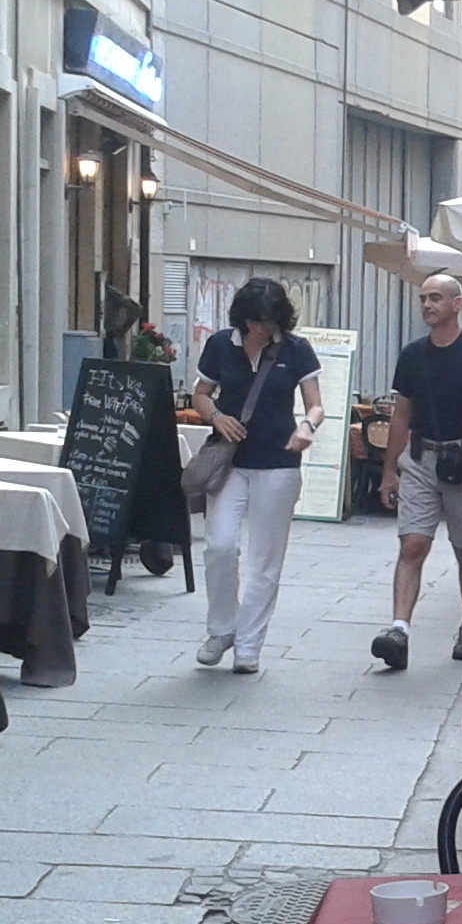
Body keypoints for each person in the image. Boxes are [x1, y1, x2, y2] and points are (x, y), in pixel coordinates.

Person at [374, 275, 462, 671]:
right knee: (412, 544)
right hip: (420, 458)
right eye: (423, 299)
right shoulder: (412, 355)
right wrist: (389, 471)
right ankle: (398, 631)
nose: (427, 305)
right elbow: (401, 416)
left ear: (456, 304)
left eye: (435, 298)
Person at [192, 278, 325, 676]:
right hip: (230, 461)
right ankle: (221, 630)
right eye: (254, 321)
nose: (260, 329)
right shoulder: (221, 344)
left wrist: (306, 427)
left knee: (265, 558)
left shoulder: (296, 349)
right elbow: (201, 393)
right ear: (242, 319)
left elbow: (316, 405)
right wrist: (217, 416)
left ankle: (249, 643)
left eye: (268, 322)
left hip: (278, 462)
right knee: (220, 545)